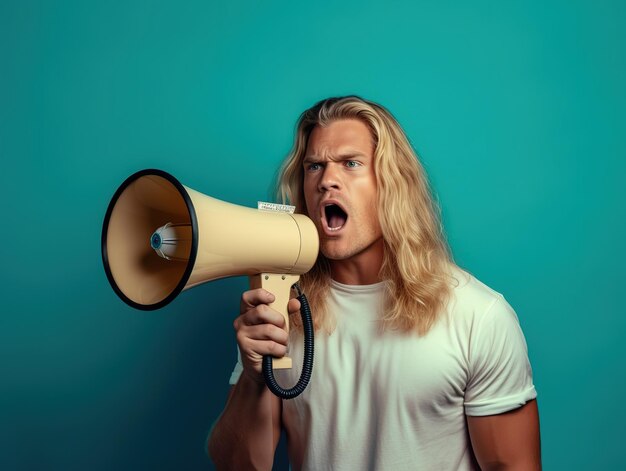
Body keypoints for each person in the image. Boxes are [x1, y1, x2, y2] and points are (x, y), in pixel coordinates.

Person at [208, 96, 540, 470]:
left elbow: (512, 465)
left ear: (392, 183)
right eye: (314, 166)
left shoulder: (479, 316)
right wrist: (254, 377)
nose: (326, 180)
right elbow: (238, 466)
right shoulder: (280, 311)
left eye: (350, 164)